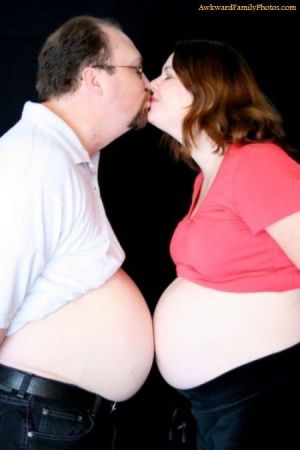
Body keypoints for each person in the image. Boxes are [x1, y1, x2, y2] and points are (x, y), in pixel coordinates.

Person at [0, 16, 154, 450]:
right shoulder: (35, 162)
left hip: (54, 418)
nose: (149, 84)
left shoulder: (69, 158)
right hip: (34, 418)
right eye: (138, 69)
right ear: (94, 78)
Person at [148, 39, 300, 450]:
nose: (151, 83)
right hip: (220, 403)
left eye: (167, 74)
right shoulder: (205, 178)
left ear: (206, 88)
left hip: (262, 397)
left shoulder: (257, 163)